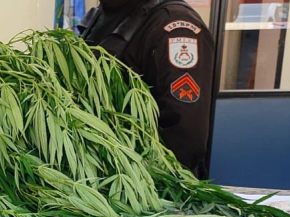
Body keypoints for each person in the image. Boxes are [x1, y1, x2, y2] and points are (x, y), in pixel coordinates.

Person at [78, 0, 214, 178]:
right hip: (97, 174)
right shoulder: (103, 15)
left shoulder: (174, 23)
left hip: (144, 182)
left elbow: (184, 136)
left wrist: (138, 182)